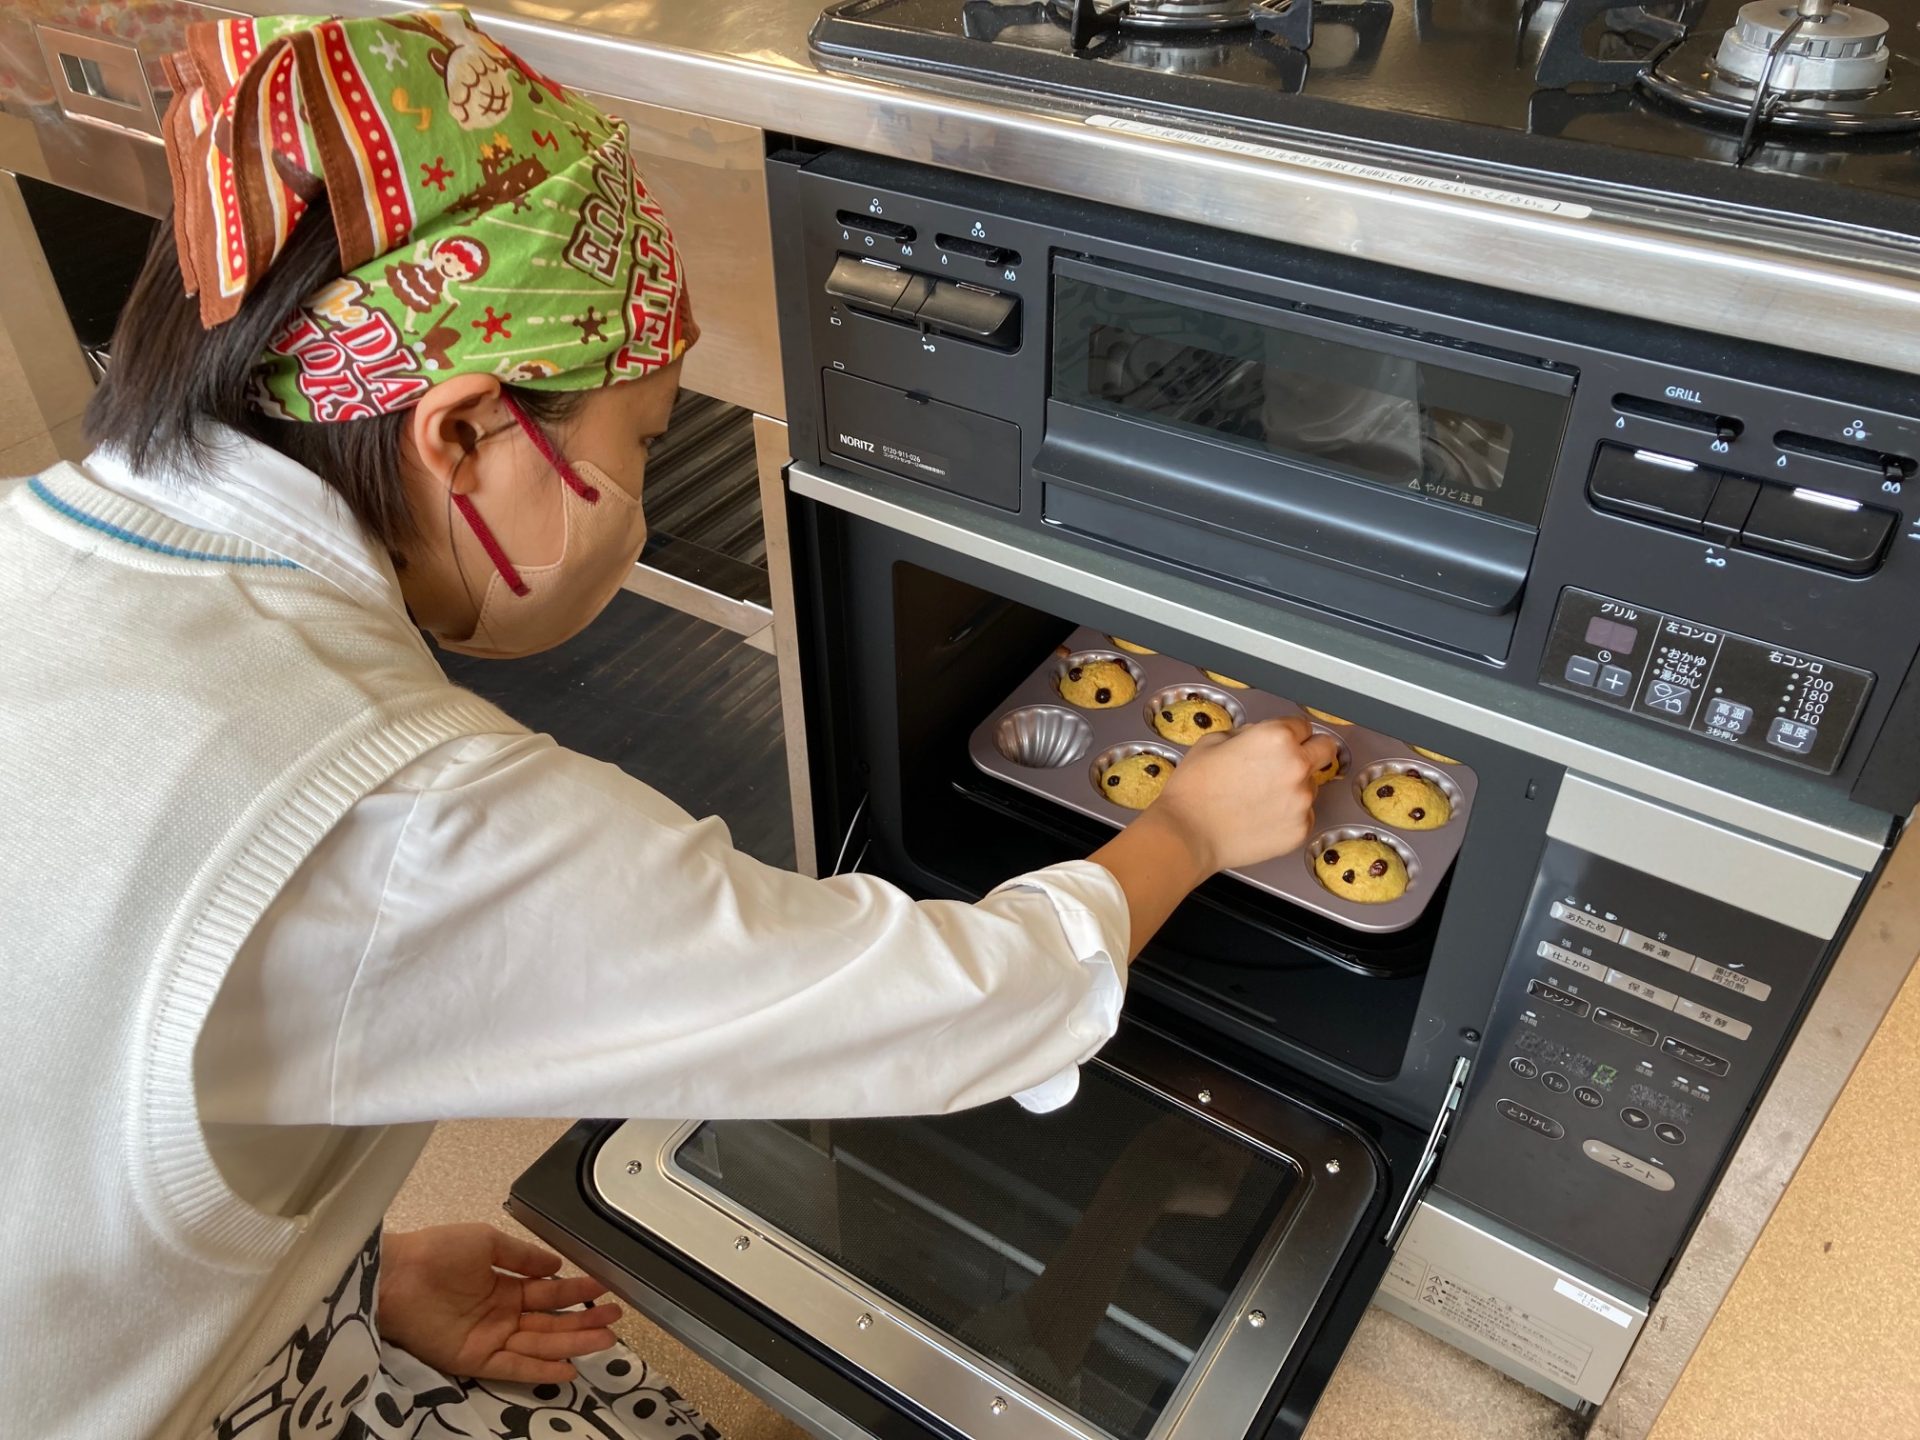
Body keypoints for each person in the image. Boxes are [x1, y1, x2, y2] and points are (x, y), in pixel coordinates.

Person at [0, 9, 1339, 1440]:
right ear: (455, 432)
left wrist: (338, 1280)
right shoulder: (394, 821)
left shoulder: (36, 546)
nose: (640, 504)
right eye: (643, 444)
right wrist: (1191, 828)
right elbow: (939, 1007)